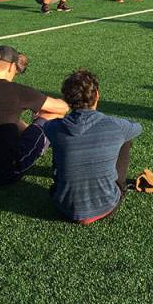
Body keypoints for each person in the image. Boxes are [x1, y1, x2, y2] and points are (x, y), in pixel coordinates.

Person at [0, 46, 70, 185]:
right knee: (52, 114)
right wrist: (42, 112)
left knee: (2, 117)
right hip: (4, 173)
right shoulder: (16, 91)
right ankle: (62, 166)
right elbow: (63, 107)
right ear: (11, 67)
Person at [48, 69, 142, 224]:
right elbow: (137, 128)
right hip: (107, 206)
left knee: (59, 142)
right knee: (126, 140)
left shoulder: (53, 127)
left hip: (64, 208)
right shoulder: (115, 125)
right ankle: (120, 185)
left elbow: (48, 126)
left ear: (66, 99)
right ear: (97, 95)